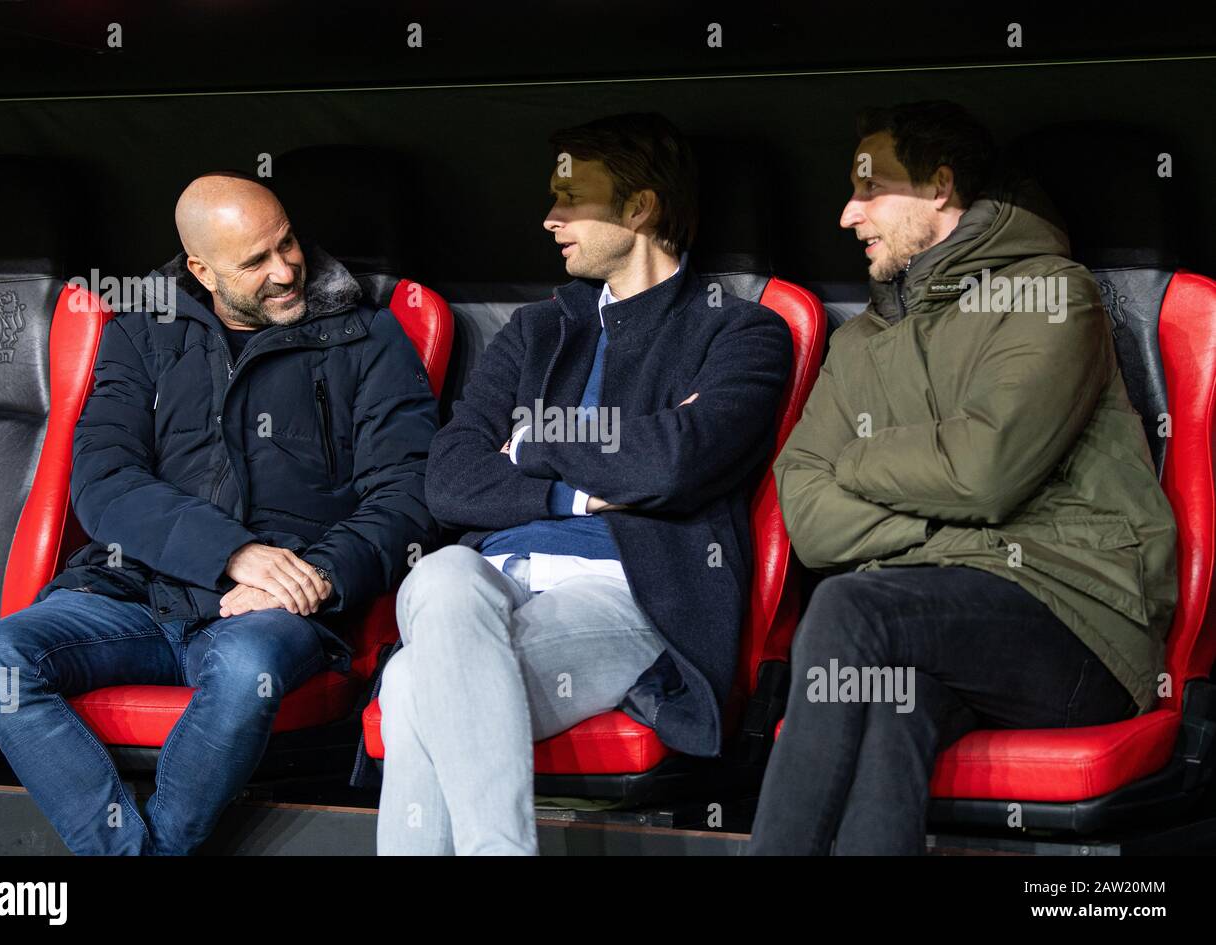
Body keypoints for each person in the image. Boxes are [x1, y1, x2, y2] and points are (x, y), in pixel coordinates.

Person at [0, 172, 438, 855]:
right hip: (135, 593)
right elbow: (104, 480)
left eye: (288, 243)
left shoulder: (369, 337)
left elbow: (407, 494)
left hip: (280, 607)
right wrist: (232, 553)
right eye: (255, 262)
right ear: (201, 269)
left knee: (246, 669)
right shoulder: (142, 333)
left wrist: (318, 575)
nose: (285, 271)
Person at [748, 101, 1178, 855]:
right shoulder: (860, 344)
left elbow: (984, 471)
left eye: (870, 189)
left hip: (1076, 620)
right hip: (929, 623)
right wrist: (936, 521)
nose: (848, 214)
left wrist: (857, 460)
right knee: (889, 708)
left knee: (852, 609)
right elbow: (808, 514)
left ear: (940, 187)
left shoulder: (1050, 295)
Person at [373, 113, 793, 855]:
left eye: (571, 201)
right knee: (441, 572)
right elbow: (450, 478)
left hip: (627, 586)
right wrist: (578, 488)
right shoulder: (535, 329)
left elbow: (676, 461)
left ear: (639, 209)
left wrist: (533, 441)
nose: (550, 218)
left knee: (412, 686)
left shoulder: (740, 332)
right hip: (486, 584)